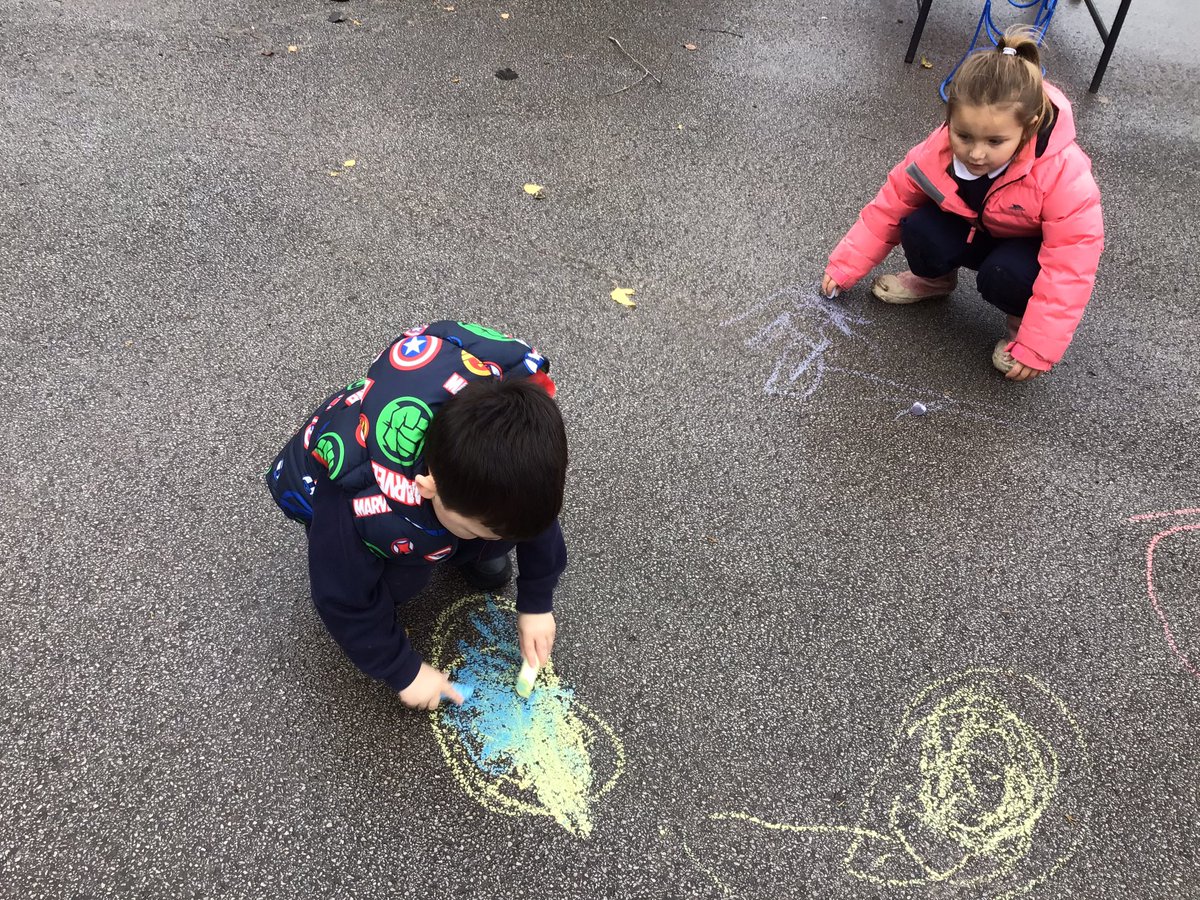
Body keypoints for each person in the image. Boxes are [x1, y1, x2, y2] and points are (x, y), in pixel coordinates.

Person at [266, 321, 568, 710]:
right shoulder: (357, 501)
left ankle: (461, 544)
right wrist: (403, 669)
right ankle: (412, 567)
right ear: (428, 486)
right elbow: (342, 597)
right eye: (482, 530)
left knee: (498, 523)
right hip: (339, 496)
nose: (501, 539)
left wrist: (537, 601)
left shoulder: (511, 462)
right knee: (401, 578)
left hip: (436, 510)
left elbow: (534, 523)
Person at [823, 27, 1104, 381]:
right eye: (964, 135)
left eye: (995, 140)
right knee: (919, 226)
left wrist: (1039, 345)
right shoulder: (938, 149)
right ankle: (934, 280)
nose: (976, 152)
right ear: (949, 120)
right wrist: (845, 265)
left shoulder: (1063, 172)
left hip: (1023, 250)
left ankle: (1020, 327)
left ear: (1029, 127)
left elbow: (1070, 264)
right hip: (974, 227)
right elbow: (891, 203)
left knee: (1007, 274)